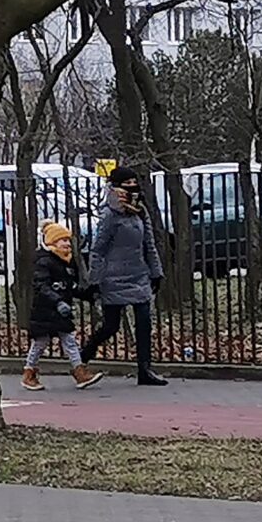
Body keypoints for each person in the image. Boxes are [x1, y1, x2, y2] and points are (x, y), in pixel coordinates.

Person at [85, 165, 168, 386]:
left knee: (144, 322)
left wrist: (156, 272)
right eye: (126, 183)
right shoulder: (109, 214)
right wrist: (94, 280)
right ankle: (87, 351)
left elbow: (149, 243)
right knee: (111, 326)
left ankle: (145, 370)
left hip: (138, 274)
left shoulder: (140, 210)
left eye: (134, 182)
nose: (132, 187)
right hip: (113, 277)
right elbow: (98, 249)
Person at [23, 221, 102, 391]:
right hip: (45, 311)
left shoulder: (68, 263)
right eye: (61, 240)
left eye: (67, 240)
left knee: (69, 341)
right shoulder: (44, 262)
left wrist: (87, 294)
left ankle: (79, 372)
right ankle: (29, 372)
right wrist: (57, 301)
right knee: (40, 343)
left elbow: (69, 287)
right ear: (51, 242)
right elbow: (42, 286)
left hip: (61, 312)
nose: (66, 243)